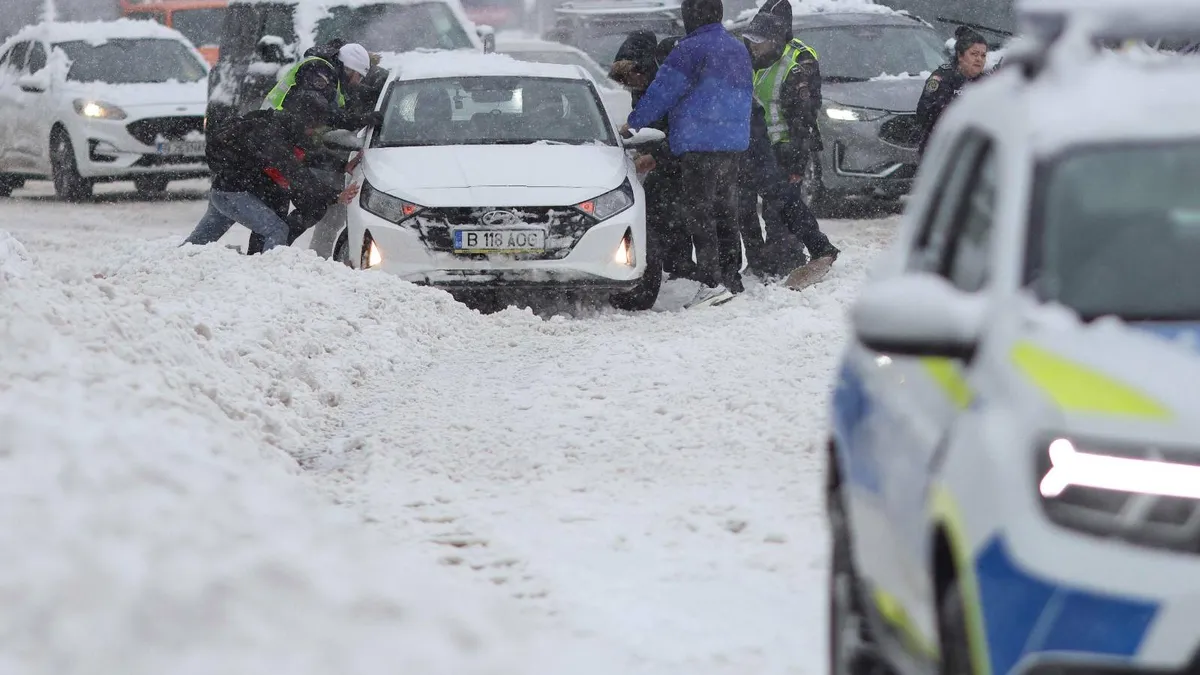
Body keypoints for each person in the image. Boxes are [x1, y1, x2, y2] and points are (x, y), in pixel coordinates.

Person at [623, 0, 753, 309]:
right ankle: (731, 277)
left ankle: (710, 283)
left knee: (700, 214)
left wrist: (634, 123)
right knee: (725, 211)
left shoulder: (689, 49)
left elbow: (663, 91)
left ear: (689, 16)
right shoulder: (736, 48)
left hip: (699, 144)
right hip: (732, 143)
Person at [737, 0, 840, 284]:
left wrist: (796, 158)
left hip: (785, 146)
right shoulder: (752, 56)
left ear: (779, 37)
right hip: (753, 145)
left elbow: (804, 116)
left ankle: (786, 260)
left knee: (778, 209)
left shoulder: (799, 60)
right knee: (743, 207)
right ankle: (759, 261)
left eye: (762, 42)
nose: (755, 47)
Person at [181, 91, 361, 253]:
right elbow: (297, 174)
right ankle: (265, 277)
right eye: (313, 126)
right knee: (277, 230)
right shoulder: (272, 138)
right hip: (233, 195)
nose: (313, 131)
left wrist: (342, 165)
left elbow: (308, 154)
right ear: (304, 120)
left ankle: (172, 262)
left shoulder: (281, 124)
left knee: (195, 245)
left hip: (225, 190)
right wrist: (336, 195)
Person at [609, 31, 698, 281]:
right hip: (668, 155)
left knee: (676, 209)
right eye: (625, 81)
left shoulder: (669, 85)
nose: (630, 84)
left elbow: (679, 128)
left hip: (685, 154)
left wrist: (655, 155)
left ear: (644, 67)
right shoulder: (644, 87)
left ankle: (681, 263)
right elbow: (644, 124)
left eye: (632, 77)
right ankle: (672, 262)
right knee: (662, 207)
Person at [916, 26, 988, 155]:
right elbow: (925, 114)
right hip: (941, 153)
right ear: (960, 55)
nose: (979, 59)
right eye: (974, 54)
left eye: (983, 55)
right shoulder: (942, 78)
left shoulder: (987, 82)